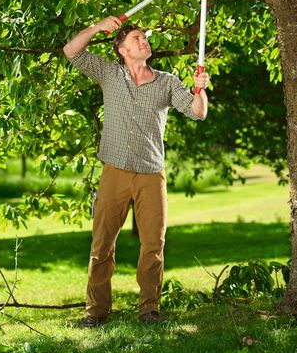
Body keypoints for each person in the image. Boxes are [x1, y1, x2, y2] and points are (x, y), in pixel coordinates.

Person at [62, 16, 210, 327]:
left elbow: (198, 113)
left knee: (153, 246)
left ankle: (149, 311)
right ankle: (97, 313)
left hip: (150, 175)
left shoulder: (167, 82)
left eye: (144, 37)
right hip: (114, 171)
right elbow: (71, 51)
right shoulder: (110, 74)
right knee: (102, 244)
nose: (144, 41)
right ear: (122, 51)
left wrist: (200, 90)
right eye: (136, 40)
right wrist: (94, 28)